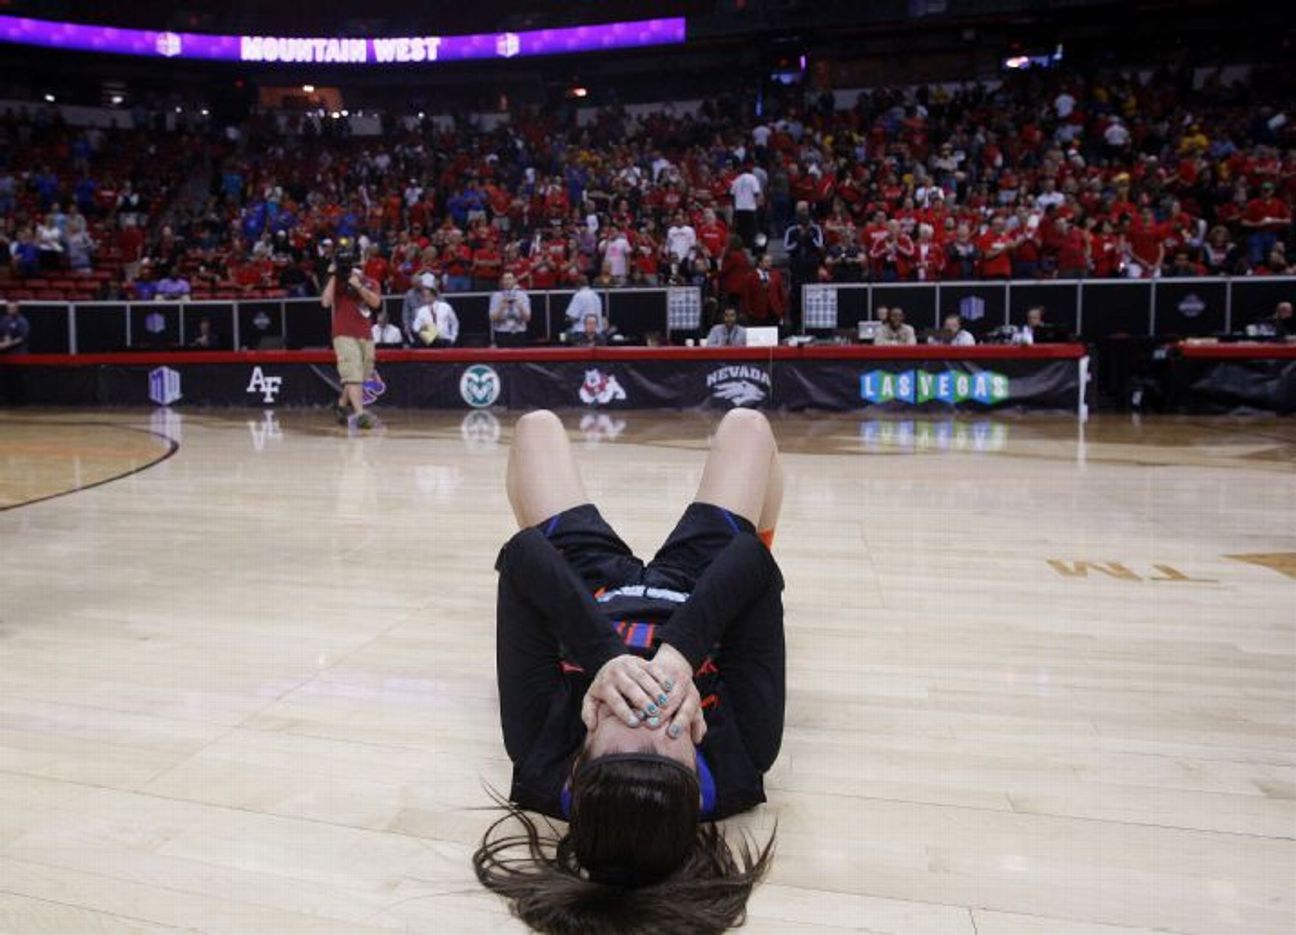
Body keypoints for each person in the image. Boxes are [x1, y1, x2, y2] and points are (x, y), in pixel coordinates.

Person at [474, 408, 783, 931]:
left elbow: (524, 554)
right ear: (695, 754)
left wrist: (603, 656)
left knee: (536, 427)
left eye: (626, 723)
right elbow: (752, 561)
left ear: (583, 750)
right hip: (697, 587)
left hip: (589, 589)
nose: (650, 709)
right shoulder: (741, 758)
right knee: (749, 427)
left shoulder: (542, 755)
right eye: (670, 730)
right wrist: (681, 652)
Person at [321, 240, 382, 429]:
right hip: (343, 333)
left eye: (356, 264)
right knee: (353, 373)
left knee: (361, 374)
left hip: (365, 333)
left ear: (363, 263)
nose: (353, 268)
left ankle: (341, 405)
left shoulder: (371, 282)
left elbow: (375, 304)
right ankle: (360, 414)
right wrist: (333, 275)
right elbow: (325, 302)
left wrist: (358, 286)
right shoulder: (337, 282)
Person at [489, 271, 531, 348]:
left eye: (509, 278)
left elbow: (527, 318)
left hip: (519, 332)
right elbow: (492, 318)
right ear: (501, 281)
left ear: (515, 280)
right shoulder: (496, 296)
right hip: (502, 332)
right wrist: (502, 308)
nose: (507, 281)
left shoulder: (523, 295)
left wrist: (520, 307)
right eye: (505, 279)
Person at [401, 273, 437, 343]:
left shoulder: (430, 291)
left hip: (428, 324)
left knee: (428, 345)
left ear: (421, 282)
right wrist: (406, 325)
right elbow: (405, 312)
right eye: (414, 285)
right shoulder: (409, 294)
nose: (416, 286)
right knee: (416, 347)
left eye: (418, 283)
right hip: (414, 325)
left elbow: (440, 304)